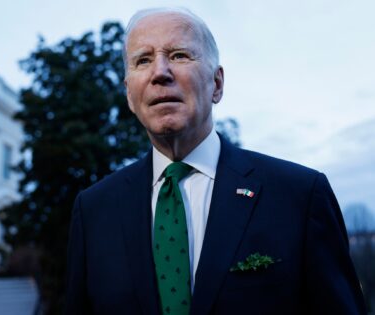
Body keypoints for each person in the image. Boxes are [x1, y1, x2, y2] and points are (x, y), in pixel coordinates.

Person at [66, 7, 366, 315]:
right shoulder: (93, 211)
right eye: (143, 60)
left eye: (179, 55)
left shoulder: (300, 196)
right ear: (129, 95)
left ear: (217, 84)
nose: (159, 72)